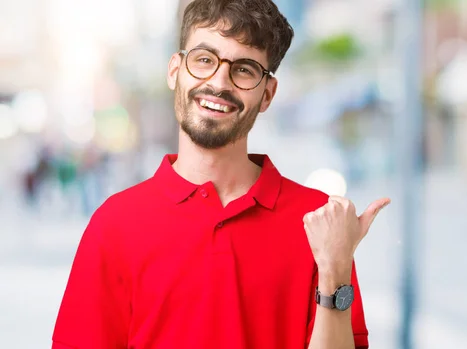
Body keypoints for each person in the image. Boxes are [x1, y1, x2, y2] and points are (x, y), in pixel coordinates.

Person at [52, 0, 390, 348]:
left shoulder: (318, 222)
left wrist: (334, 269)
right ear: (174, 70)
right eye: (204, 60)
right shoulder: (114, 225)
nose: (219, 82)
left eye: (244, 69)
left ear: (267, 95)